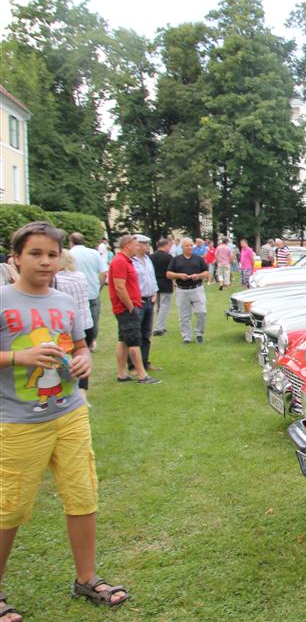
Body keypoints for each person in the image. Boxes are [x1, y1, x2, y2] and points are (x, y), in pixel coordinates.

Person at [0, 222, 131, 619]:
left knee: (82, 495)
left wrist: (84, 359)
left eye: (52, 255)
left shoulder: (65, 301)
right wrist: (17, 357)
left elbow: (78, 346)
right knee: (10, 508)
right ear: (16, 258)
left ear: (61, 258)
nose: (44, 261)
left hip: (70, 414)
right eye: (35, 254)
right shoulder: (2, 300)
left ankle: (86, 578)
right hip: (19, 422)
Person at [108, 235, 159, 385]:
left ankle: (122, 373)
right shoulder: (119, 261)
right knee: (134, 341)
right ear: (127, 245)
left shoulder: (126, 261)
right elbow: (119, 286)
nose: (138, 247)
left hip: (130, 306)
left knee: (123, 340)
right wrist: (130, 307)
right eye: (136, 245)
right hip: (127, 308)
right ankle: (142, 375)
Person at [55, 251, 93, 399]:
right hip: (86, 321)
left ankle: (65, 390)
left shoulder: (56, 280)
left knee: (65, 359)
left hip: (69, 325)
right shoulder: (81, 276)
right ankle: (83, 391)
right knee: (82, 357)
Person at [67, 232, 107, 351]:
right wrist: (99, 288)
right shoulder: (94, 253)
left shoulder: (69, 255)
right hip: (92, 291)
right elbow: (104, 273)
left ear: (71, 242)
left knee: (76, 319)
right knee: (93, 318)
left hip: (75, 292)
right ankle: (91, 342)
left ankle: (77, 342)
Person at [166, 238, 209, 344]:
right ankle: (186, 336)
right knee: (184, 315)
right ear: (182, 247)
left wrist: (198, 276)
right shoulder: (176, 259)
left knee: (201, 312)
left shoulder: (198, 258)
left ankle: (199, 333)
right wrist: (179, 275)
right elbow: (168, 274)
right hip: (182, 290)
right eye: (187, 246)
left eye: (191, 245)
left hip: (197, 288)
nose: (190, 247)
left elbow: (206, 273)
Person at [131, 236, 158, 373]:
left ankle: (145, 362)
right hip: (138, 301)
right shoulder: (131, 261)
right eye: (145, 244)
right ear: (137, 245)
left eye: (148, 243)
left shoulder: (148, 259)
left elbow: (151, 278)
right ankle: (133, 366)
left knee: (146, 333)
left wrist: (155, 292)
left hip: (149, 299)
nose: (148, 246)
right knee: (135, 334)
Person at [150, 238, 174, 336]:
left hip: (154, 283)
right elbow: (171, 271)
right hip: (165, 282)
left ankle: (160, 325)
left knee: (159, 306)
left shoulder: (151, 257)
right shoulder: (169, 257)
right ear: (166, 245)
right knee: (164, 306)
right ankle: (159, 327)